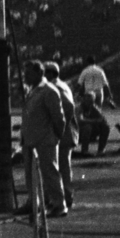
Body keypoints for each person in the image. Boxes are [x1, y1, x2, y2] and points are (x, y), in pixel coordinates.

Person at [19, 60, 67, 218]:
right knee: (30, 175)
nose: (25, 77)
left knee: (50, 174)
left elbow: (59, 118)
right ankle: (34, 203)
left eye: (28, 74)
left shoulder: (49, 91)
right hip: (30, 140)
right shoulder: (33, 90)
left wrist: (55, 137)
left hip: (45, 140)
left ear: (39, 73)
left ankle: (59, 205)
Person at [44, 61, 79, 210]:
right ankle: (61, 197)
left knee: (60, 167)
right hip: (65, 132)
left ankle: (63, 198)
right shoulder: (61, 85)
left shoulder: (56, 87)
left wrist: (57, 125)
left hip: (62, 133)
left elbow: (68, 107)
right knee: (61, 167)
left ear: (50, 73)